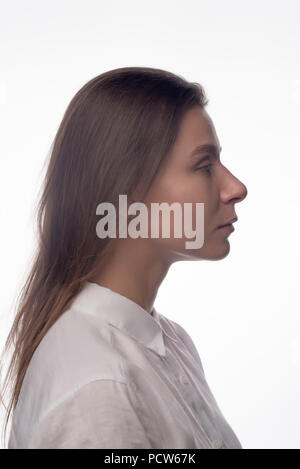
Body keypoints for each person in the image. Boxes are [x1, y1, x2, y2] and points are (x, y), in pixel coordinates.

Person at [0, 67, 247, 449]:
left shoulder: (171, 342)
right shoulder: (100, 391)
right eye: (204, 166)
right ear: (127, 192)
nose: (235, 188)